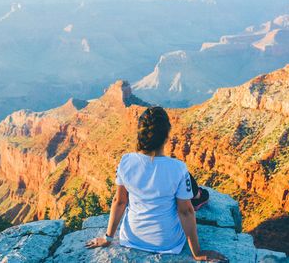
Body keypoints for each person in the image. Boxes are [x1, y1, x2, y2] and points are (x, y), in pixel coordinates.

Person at [86, 106, 227, 262]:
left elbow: (119, 201)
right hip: (168, 243)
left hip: (133, 238)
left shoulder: (125, 161)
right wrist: (197, 252)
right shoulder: (178, 168)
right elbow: (185, 212)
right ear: (166, 137)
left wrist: (108, 238)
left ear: (140, 134)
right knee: (181, 191)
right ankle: (197, 196)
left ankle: (195, 195)